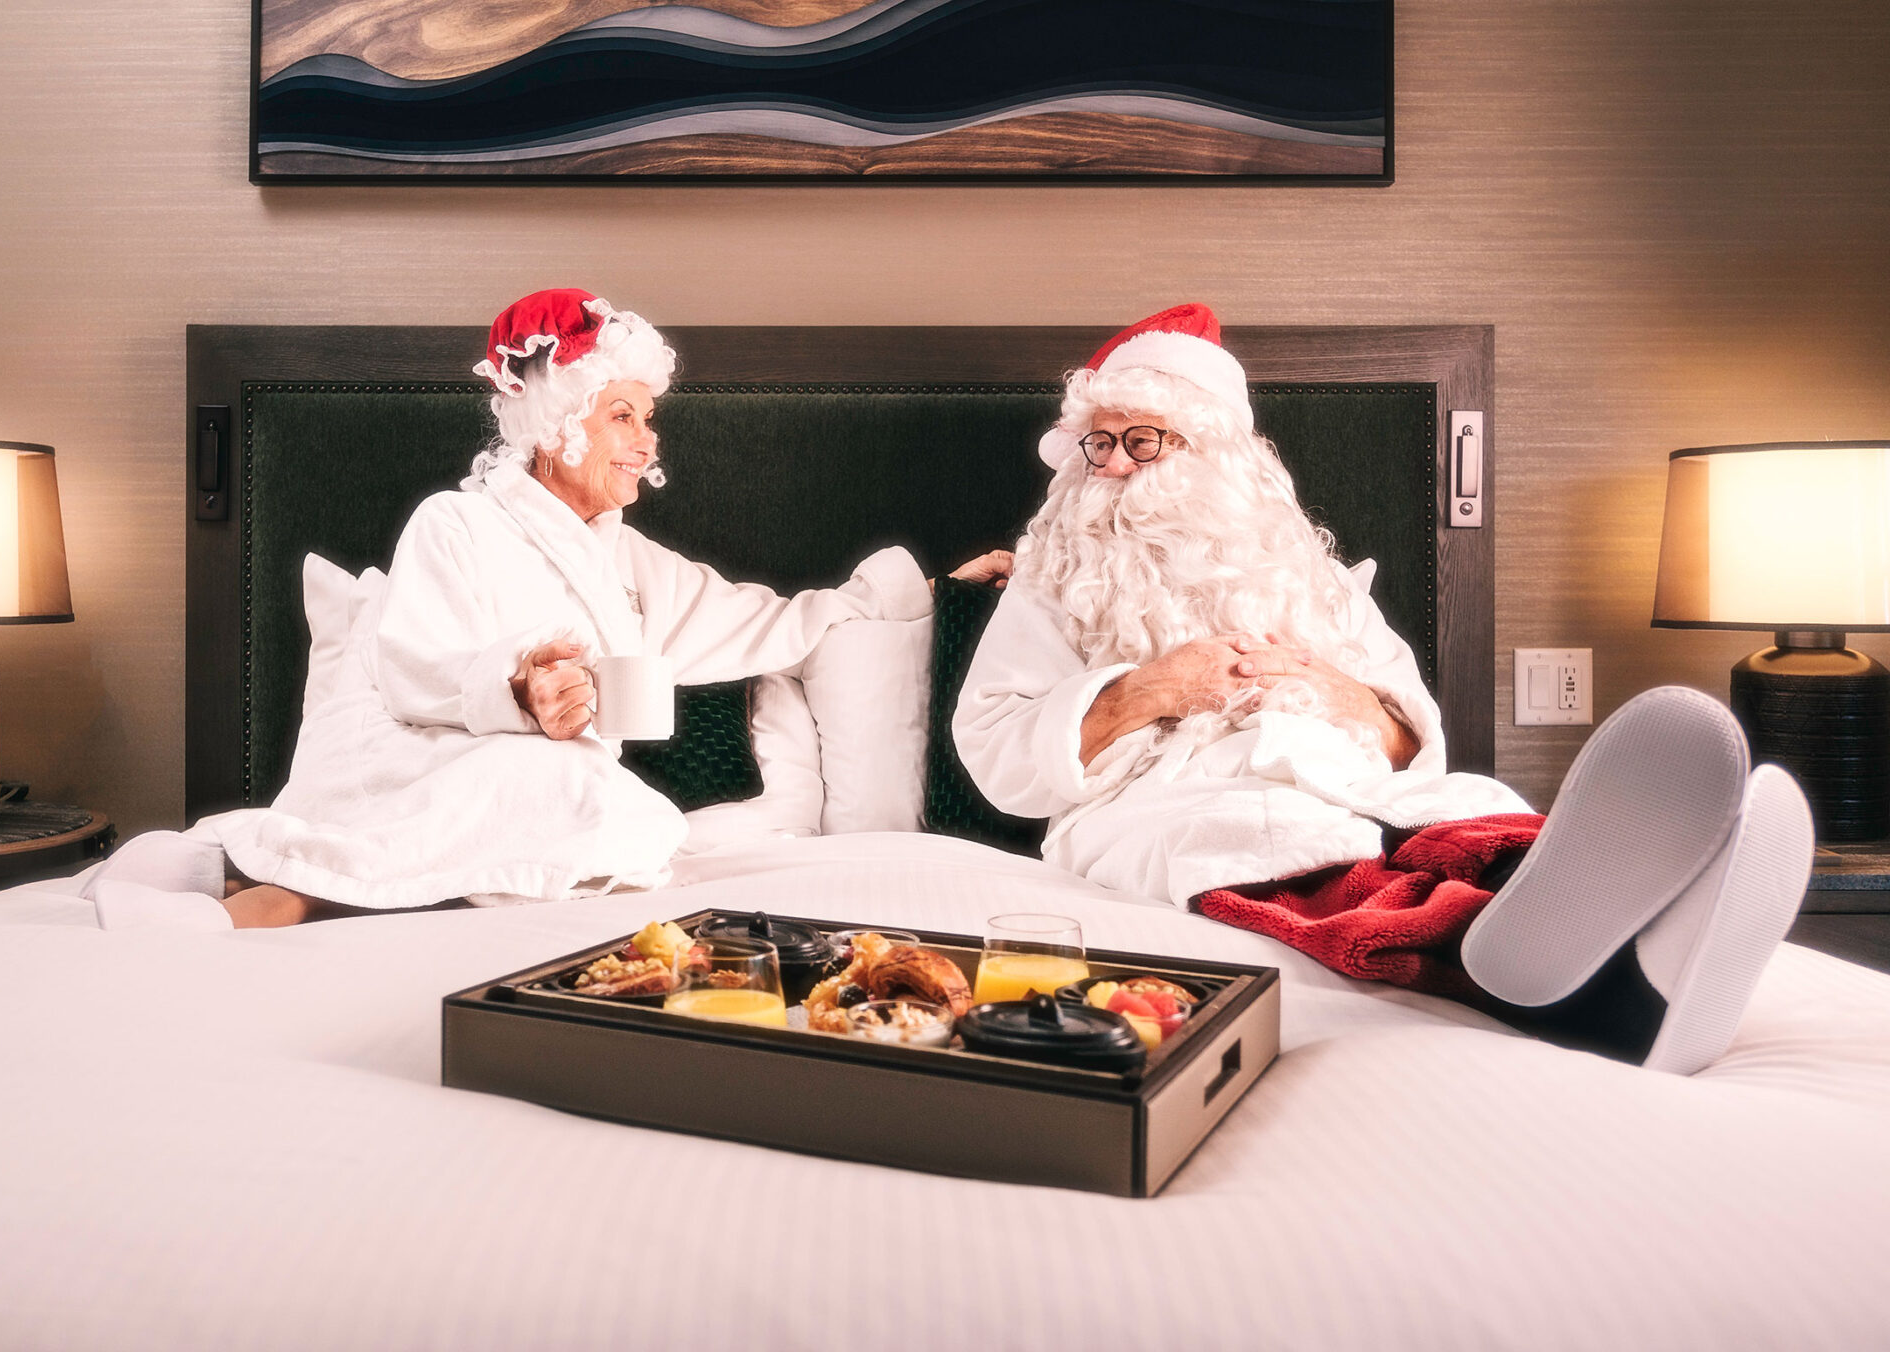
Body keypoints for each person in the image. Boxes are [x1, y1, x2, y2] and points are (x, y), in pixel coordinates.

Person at [953, 304, 1815, 1075]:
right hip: (1171, 804)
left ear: (1212, 456)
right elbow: (995, 751)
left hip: (1354, 779)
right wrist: (1151, 689)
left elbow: (1411, 745)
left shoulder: (1307, 576)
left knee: (1463, 816)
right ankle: (1589, 995)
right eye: (1098, 443)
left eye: (1141, 441)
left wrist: (1350, 699)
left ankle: (1654, 911)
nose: (1108, 468)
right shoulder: (1054, 579)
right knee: (1291, 856)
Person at [92, 288, 1008, 929]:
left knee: (614, 807)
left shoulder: (624, 558)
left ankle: (223, 868)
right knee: (580, 792)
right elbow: (413, 665)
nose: (647, 442)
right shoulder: (454, 522)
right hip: (414, 761)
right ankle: (266, 902)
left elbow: (766, 621)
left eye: (648, 418)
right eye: (623, 415)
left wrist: (920, 598)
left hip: (528, 782)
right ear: (557, 423)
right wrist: (520, 689)